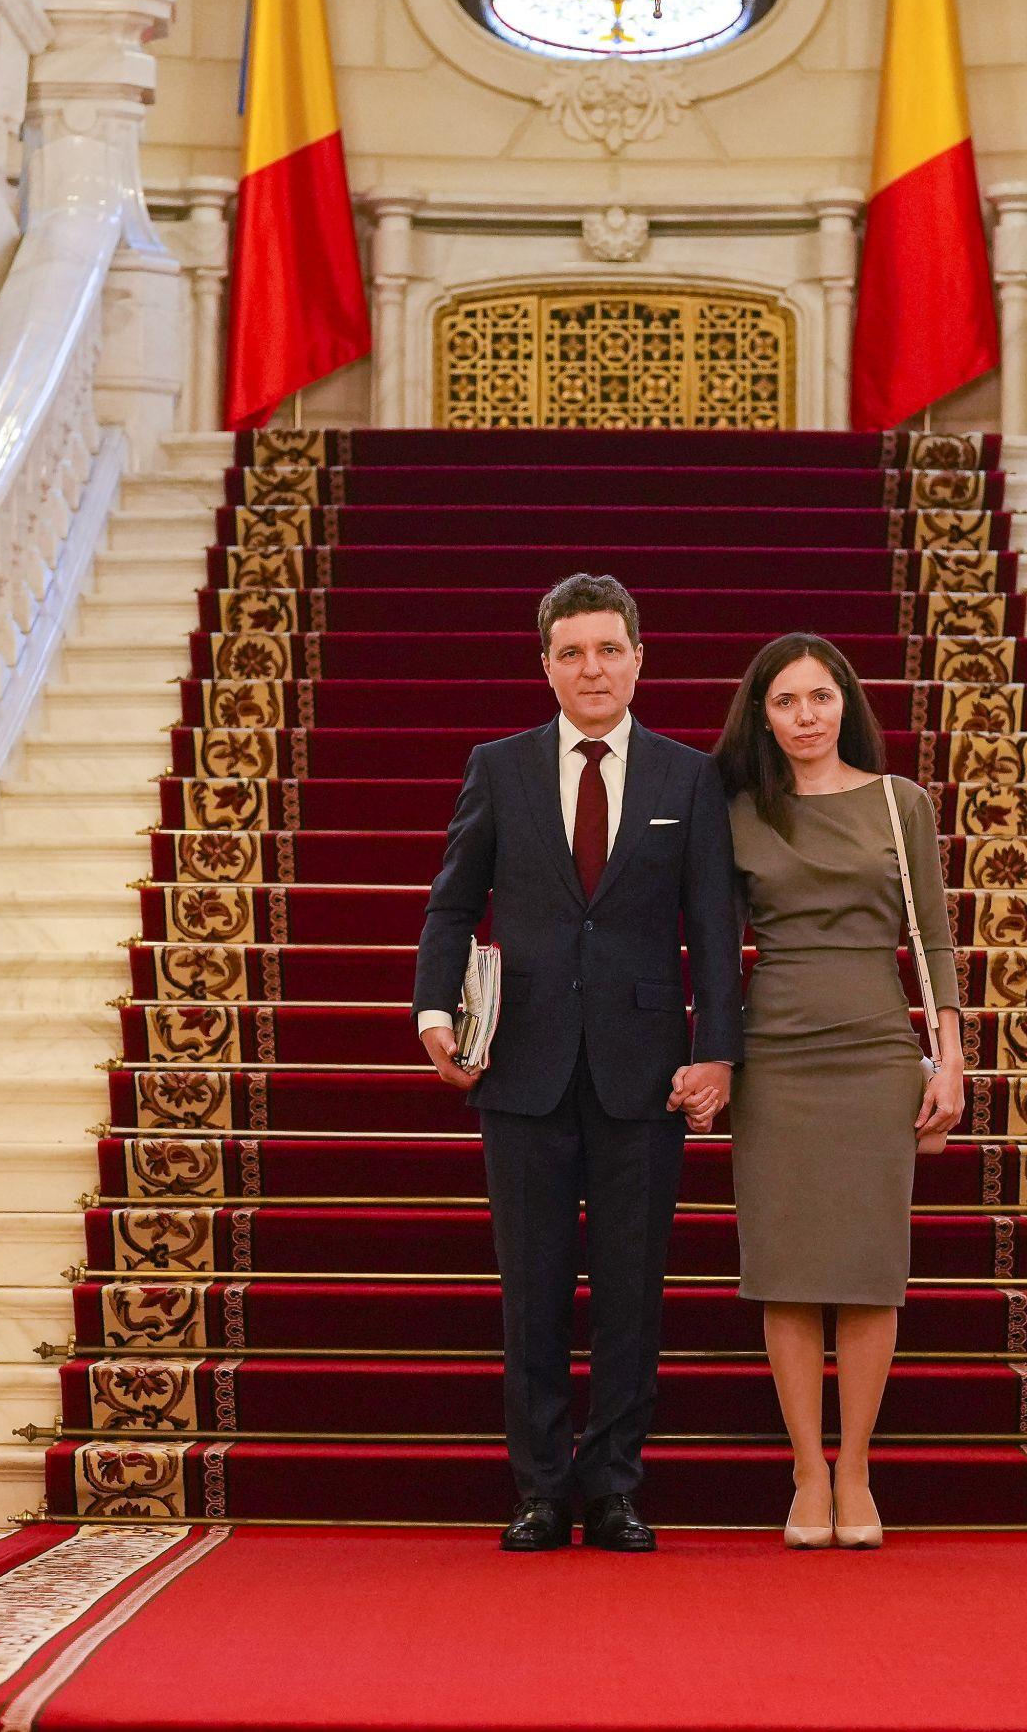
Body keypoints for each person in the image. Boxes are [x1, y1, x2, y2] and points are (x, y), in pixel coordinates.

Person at [413, 573, 743, 1552]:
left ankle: (614, 1489)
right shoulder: (499, 768)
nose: (591, 668)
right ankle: (540, 1491)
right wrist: (434, 1012)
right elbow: (451, 902)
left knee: (632, 1292)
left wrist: (717, 1054)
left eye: (608, 650)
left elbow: (712, 931)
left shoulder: (688, 778)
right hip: (520, 1070)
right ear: (545, 666)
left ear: (639, 659)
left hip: (645, 1074)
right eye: (571, 652)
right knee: (534, 1289)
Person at [712, 631, 966, 1549]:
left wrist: (950, 1058)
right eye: (785, 702)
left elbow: (932, 938)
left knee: (867, 1269)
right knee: (786, 1269)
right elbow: (713, 942)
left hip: (874, 1049)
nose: (806, 716)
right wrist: (709, 1053)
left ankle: (855, 1468)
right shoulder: (738, 810)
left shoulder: (901, 803)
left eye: (820, 697)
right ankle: (806, 1471)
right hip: (775, 1054)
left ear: (845, 703)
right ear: (763, 717)